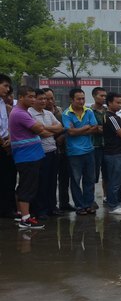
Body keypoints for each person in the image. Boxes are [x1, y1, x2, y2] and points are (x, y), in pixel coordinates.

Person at [10, 86, 52, 229]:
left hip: (31, 155)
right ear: (21, 97)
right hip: (27, 156)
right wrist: (43, 128)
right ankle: (26, 219)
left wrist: (43, 128)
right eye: (30, 96)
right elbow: (41, 129)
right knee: (27, 187)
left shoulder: (23, 112)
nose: (33, 99)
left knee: (25, 186)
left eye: (34, 96)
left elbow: (42, 129)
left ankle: (22, 214)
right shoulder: (20, 114)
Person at [62, 87, 99, 215]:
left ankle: (89, 204)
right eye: (78, 99)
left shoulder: (88, 111)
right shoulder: (67, 114)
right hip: (74, 153)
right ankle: (79, 205)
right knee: (76, 181)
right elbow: (70, 132)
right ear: (72, 100)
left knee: (89, 180)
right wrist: (86, 127)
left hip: (89, 150)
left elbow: (95, 128)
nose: (81, 101)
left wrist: (79, 130)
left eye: (83, 98)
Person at [29, 89, 63, 220]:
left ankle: (51, 207)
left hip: (52, 151)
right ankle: (40, 210)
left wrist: (44, 128)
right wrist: (50, 130)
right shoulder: (29, 114)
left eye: (46, 99)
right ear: (33, 100)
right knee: (41, 182)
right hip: (39, 152)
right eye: (41, 99)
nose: (44, 101)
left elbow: (60, 128)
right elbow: (40, 133)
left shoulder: (49, 113)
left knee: (52, 181)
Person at [103, 92, 121, 215]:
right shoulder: (111, 117)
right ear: (109, 103)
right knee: (114, 180)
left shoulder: (116, 116)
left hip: (120, 152)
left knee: (120, 180)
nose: (120, 105)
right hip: (114, 153)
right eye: (118, 102)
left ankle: (119, 202)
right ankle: (113, 205)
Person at [0, 74, 15, 218]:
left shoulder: (3, 104)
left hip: (7, 144)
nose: (7, 89)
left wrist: (10, 138)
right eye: (5, 85)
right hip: (2, 145)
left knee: (9, 178)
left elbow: (7, 125)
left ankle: (8, 208)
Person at [89, 87, 108, 205]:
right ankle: (91, 199)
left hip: (107, 146)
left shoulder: (107, 111)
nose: (103, 98)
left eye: (105, 96)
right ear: (94, 96)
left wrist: (101, 129)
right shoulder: (89, 111)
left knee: (107, 173)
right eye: (101, 96)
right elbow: (91, 128)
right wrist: (98, 129)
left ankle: (107, 196)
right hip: (94, 145)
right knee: (92, 175)